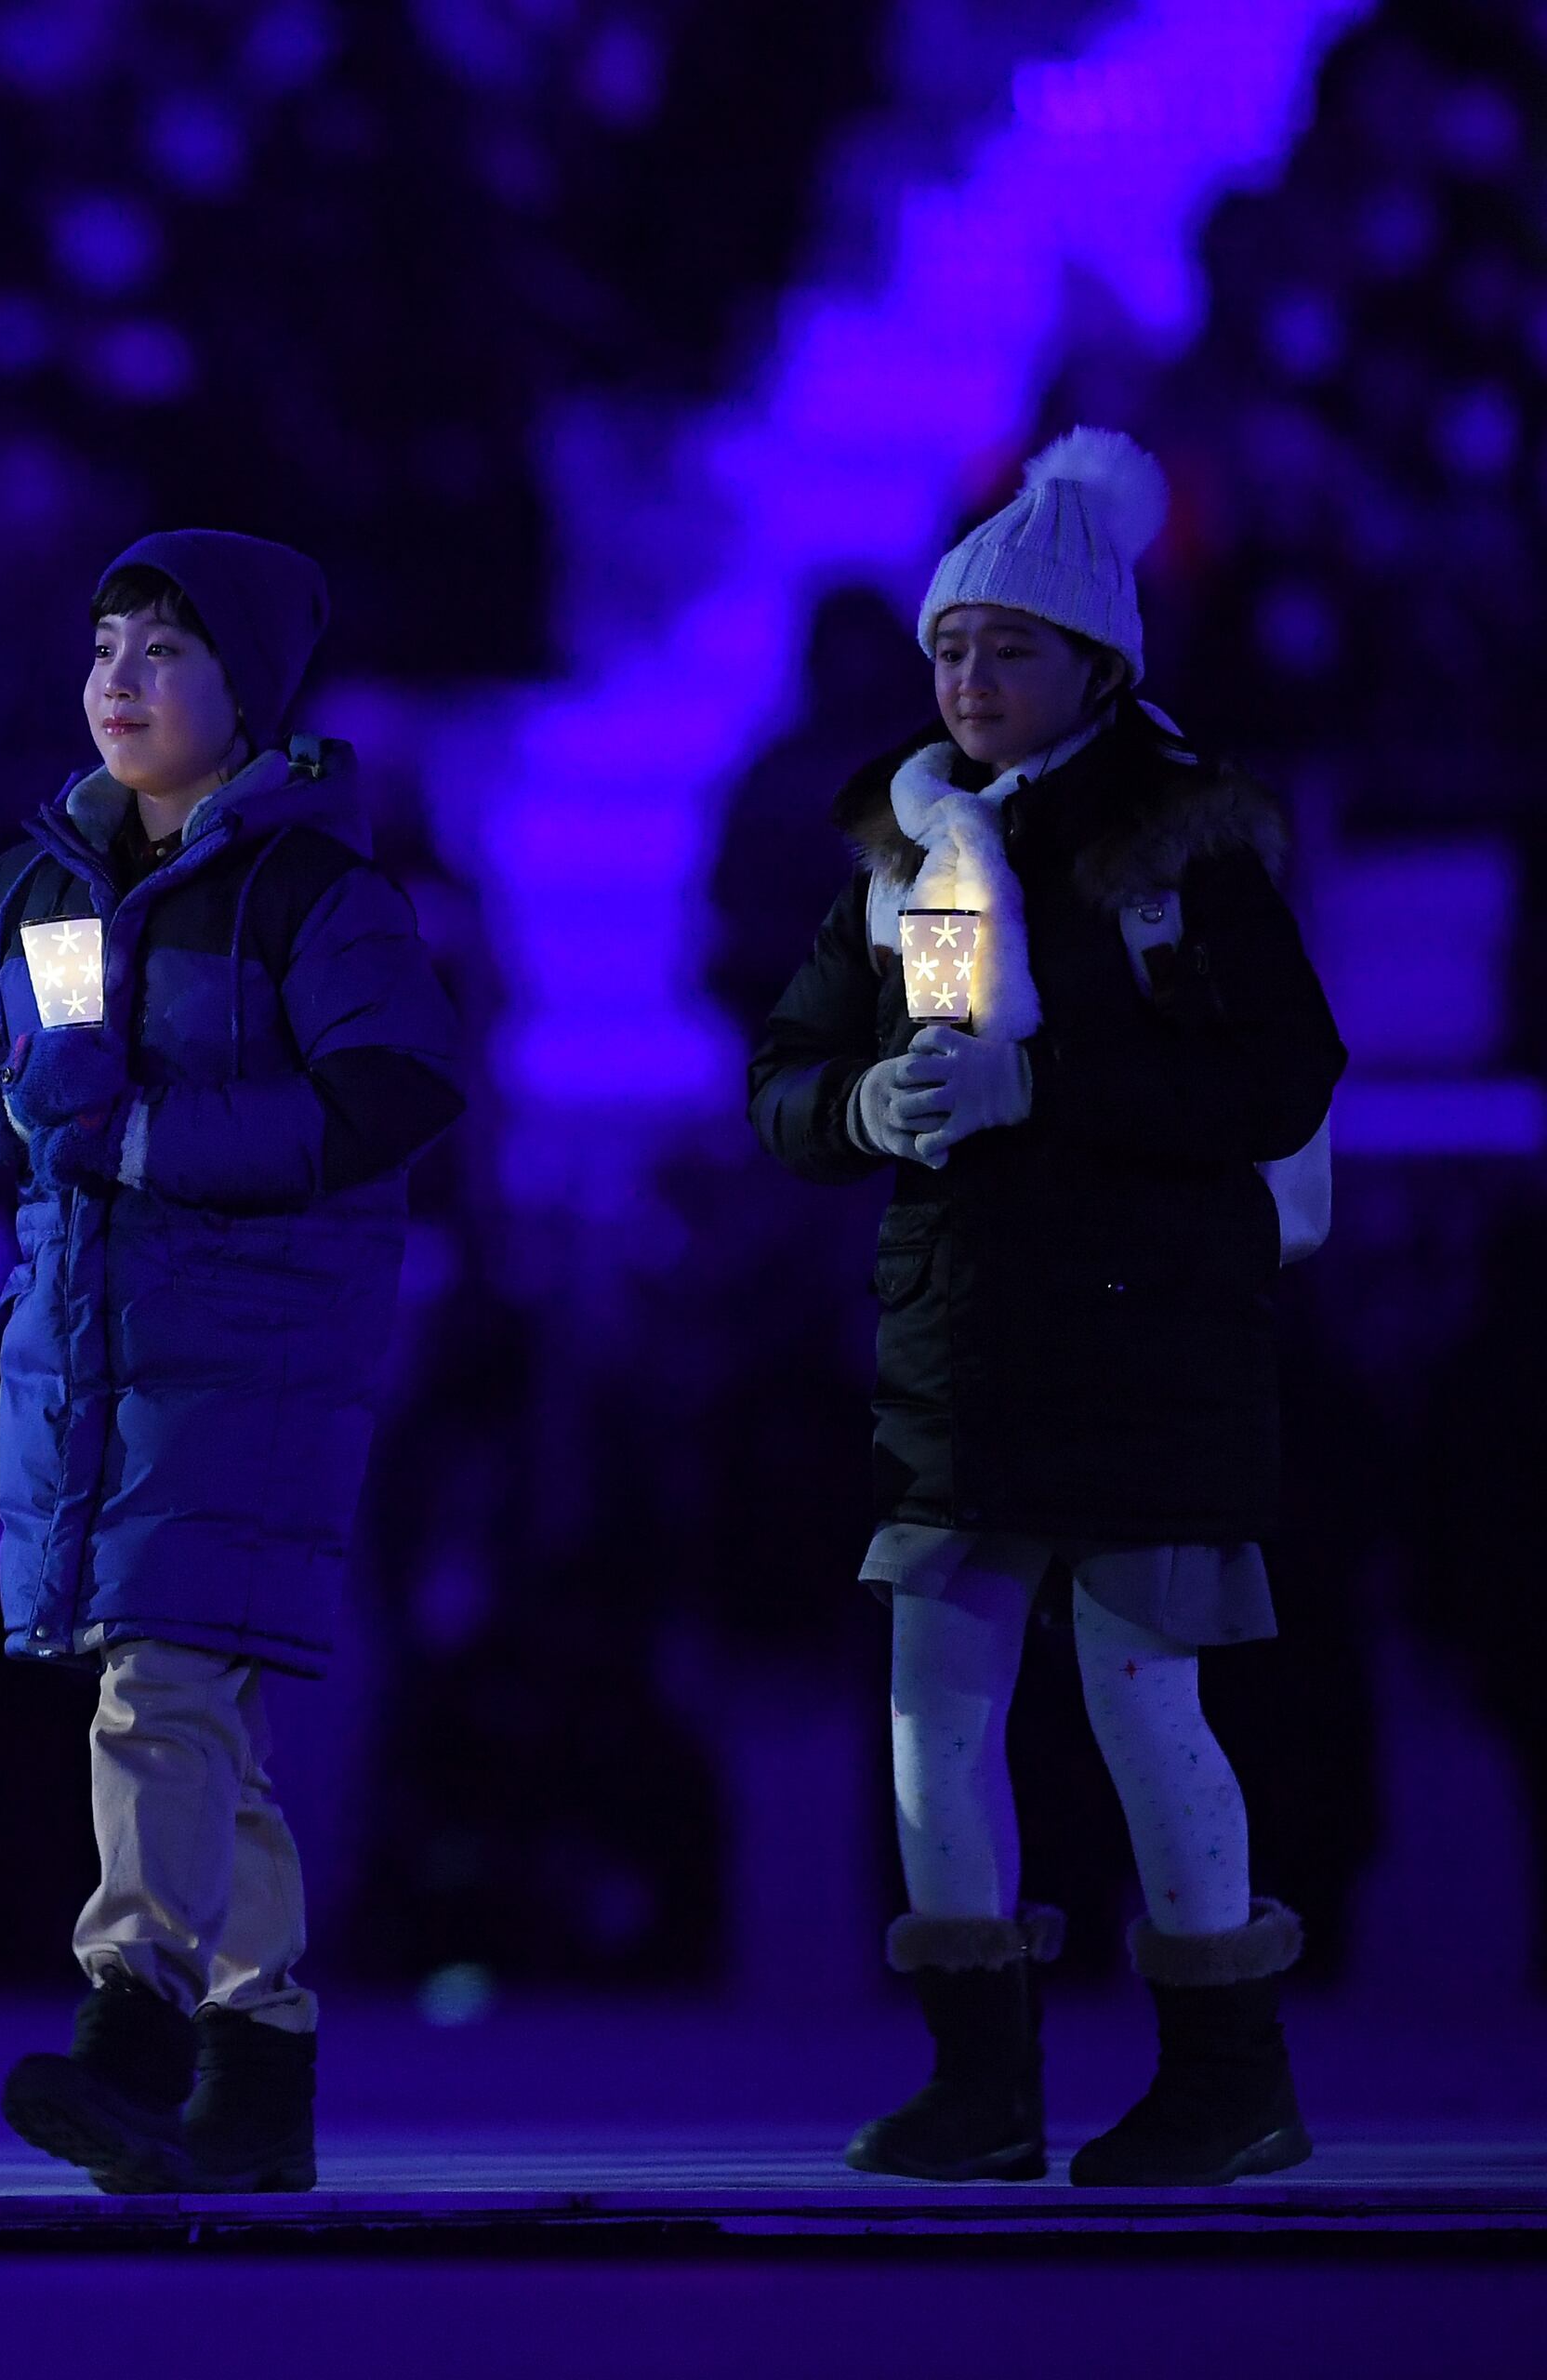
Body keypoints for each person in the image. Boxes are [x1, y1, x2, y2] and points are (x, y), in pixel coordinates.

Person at [747, 428, 1346, 2188]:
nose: (969, 677)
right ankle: (981, 2085)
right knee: (935, 1702)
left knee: (1143, 1696)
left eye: (1008, 645)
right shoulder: (911, 851)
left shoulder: (1181, 839)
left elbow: (1283, 1077)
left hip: (1146, 1340)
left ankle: (1228, 2076)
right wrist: (866, 1109)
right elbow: (796, 1070)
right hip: (967, 1342)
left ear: (1096, 661)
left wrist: (1047, 1086)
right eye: (951, 646)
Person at [0, 530, 465, 2193]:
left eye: (165, 653)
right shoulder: (37, 882)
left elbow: (395, 1094)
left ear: (250, 691)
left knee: (160, 1680)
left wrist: (143, 1139)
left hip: (255, 1349)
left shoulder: (314, 890)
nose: (118, 684)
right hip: (93, 1353)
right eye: (104, 650)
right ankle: (257, 2070)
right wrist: (13, 1108)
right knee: (207, 1708)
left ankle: (130, 2012)